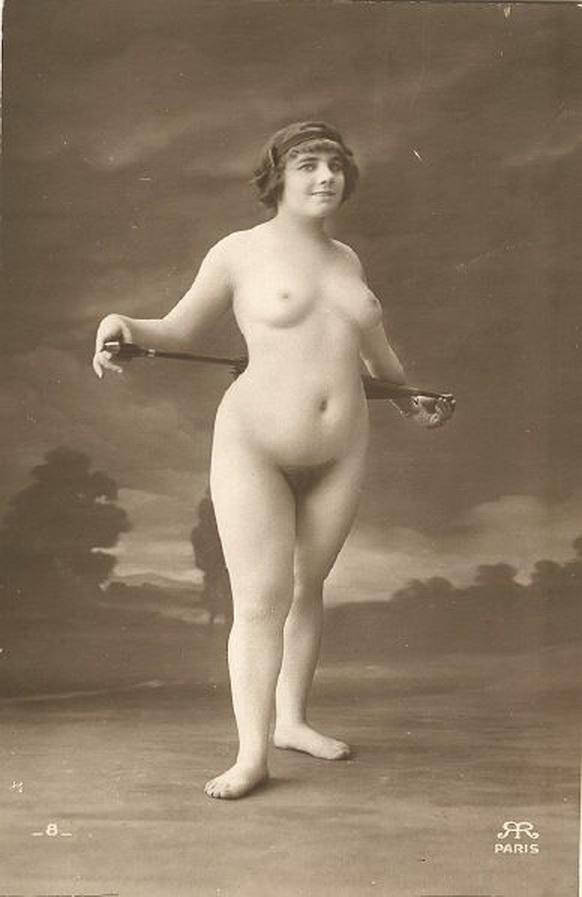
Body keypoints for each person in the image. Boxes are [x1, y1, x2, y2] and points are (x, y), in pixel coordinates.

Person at [93, 121, 454, 800]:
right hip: (253, 443)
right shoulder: (238, 252)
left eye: (336, 165)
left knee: (308, 588)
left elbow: (379, 357)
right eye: (309, 164)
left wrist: (412, 399)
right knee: (261, 600)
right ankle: (252, 755)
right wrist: (123, 324)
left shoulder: (347, 261)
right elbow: (177, 329)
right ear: (277, 177)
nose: (326, 177)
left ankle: (292, 722)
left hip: (342, 448)